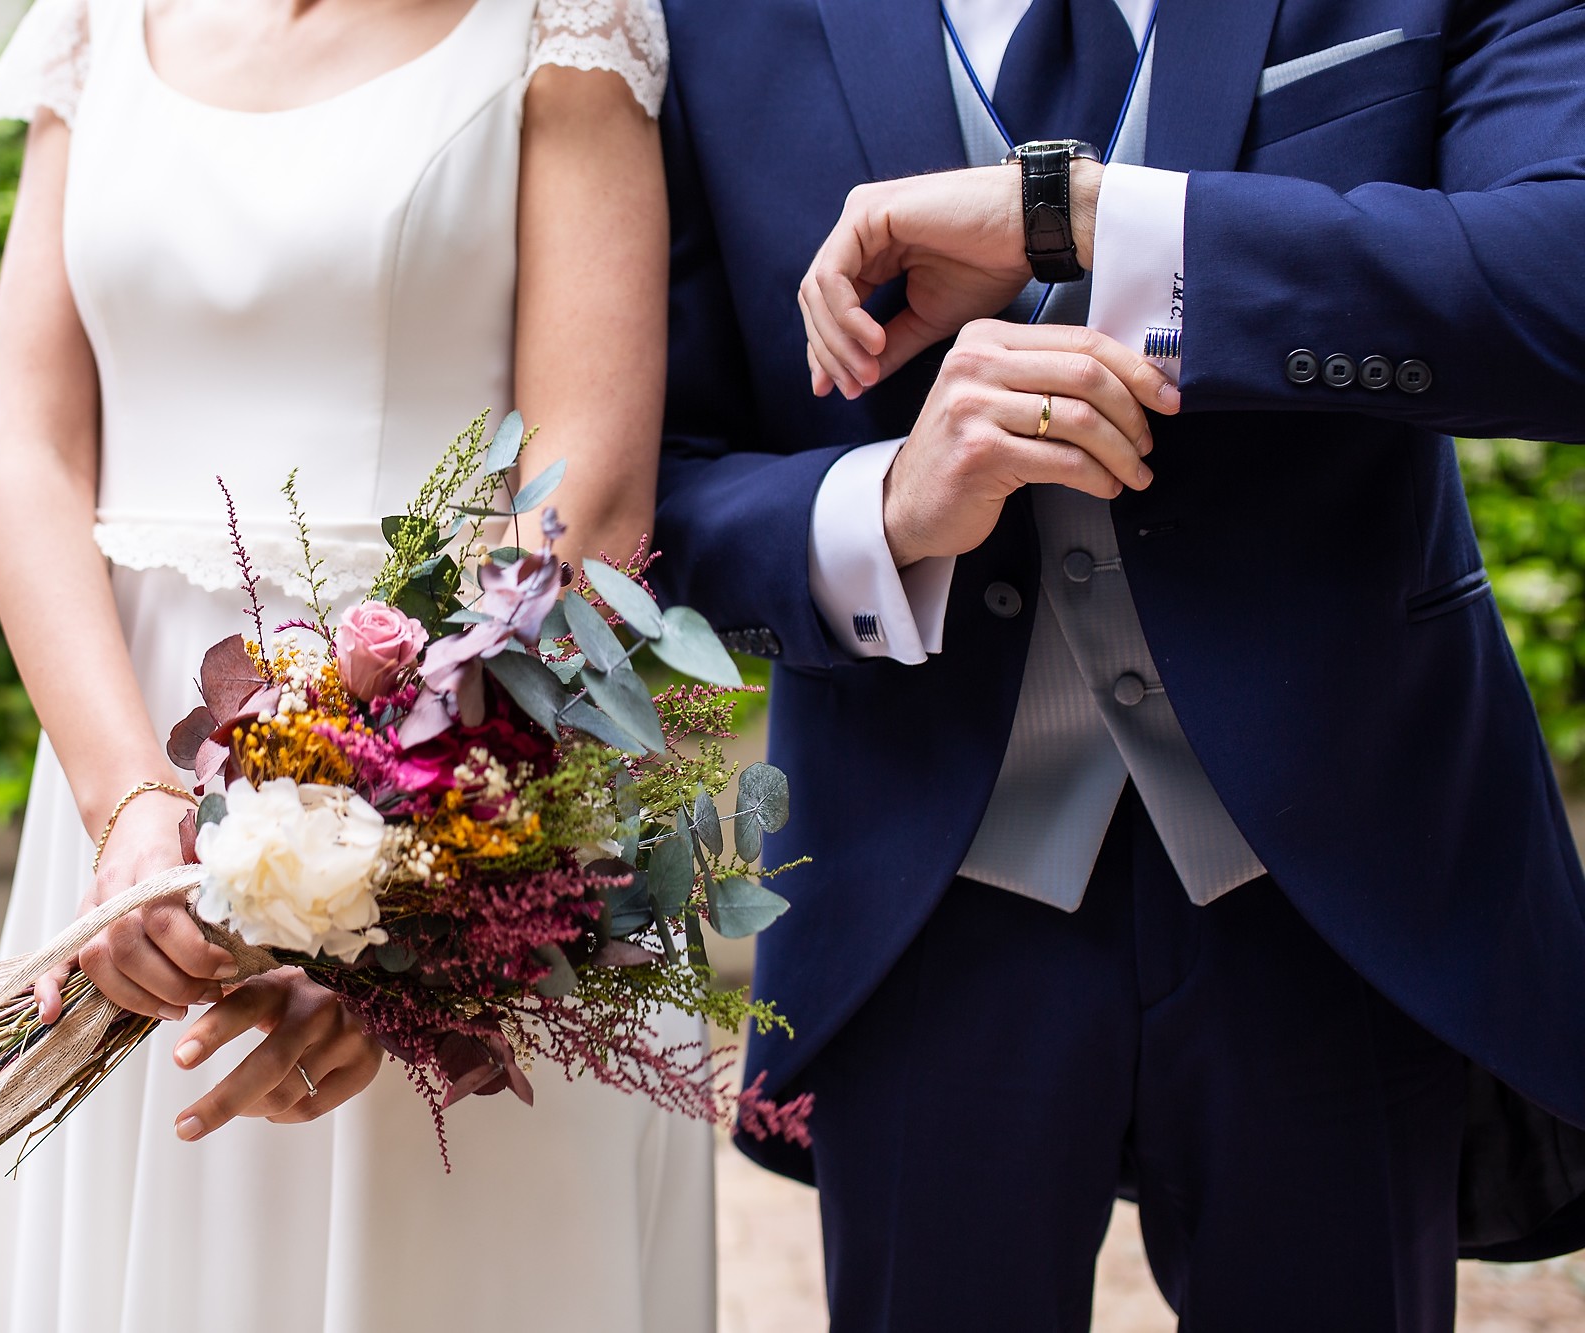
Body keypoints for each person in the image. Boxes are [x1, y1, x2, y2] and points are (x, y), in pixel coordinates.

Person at [651, 0, 1585, 1327]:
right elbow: (646, 494)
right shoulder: (697, 17)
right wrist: (888, 511)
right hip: (923, 884)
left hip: (1339, 873)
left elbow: (1565, 283)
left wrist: (1097, 223)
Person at [0, 1, 710, 1330]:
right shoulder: (95, 22)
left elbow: (583, 506)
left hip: (469, 775)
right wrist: (128, 806)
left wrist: (392, 916)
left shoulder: (559, 27)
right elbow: (28, 445)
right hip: (125, 770)